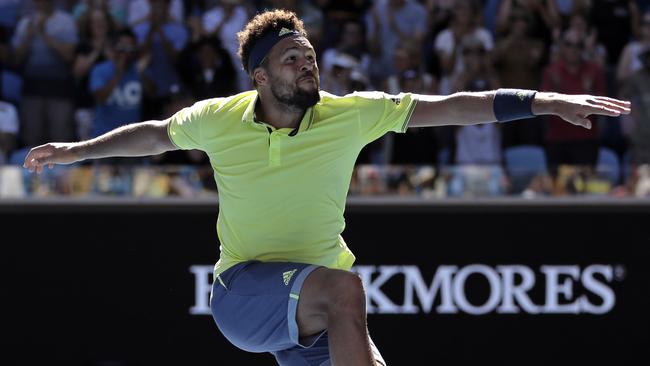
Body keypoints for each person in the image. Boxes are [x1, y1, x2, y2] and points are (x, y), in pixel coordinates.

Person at [23, 9, 630, 366]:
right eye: (291, 58)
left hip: (312, 308)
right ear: (259, 76)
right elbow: (154, 135)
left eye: (309, 54)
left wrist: (546, 101)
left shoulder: (349, 113)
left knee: (346, 307)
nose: (306, 63)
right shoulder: (218, 118)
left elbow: (451, 106)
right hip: (243, 295)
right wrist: (77, 150)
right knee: (346, 290)